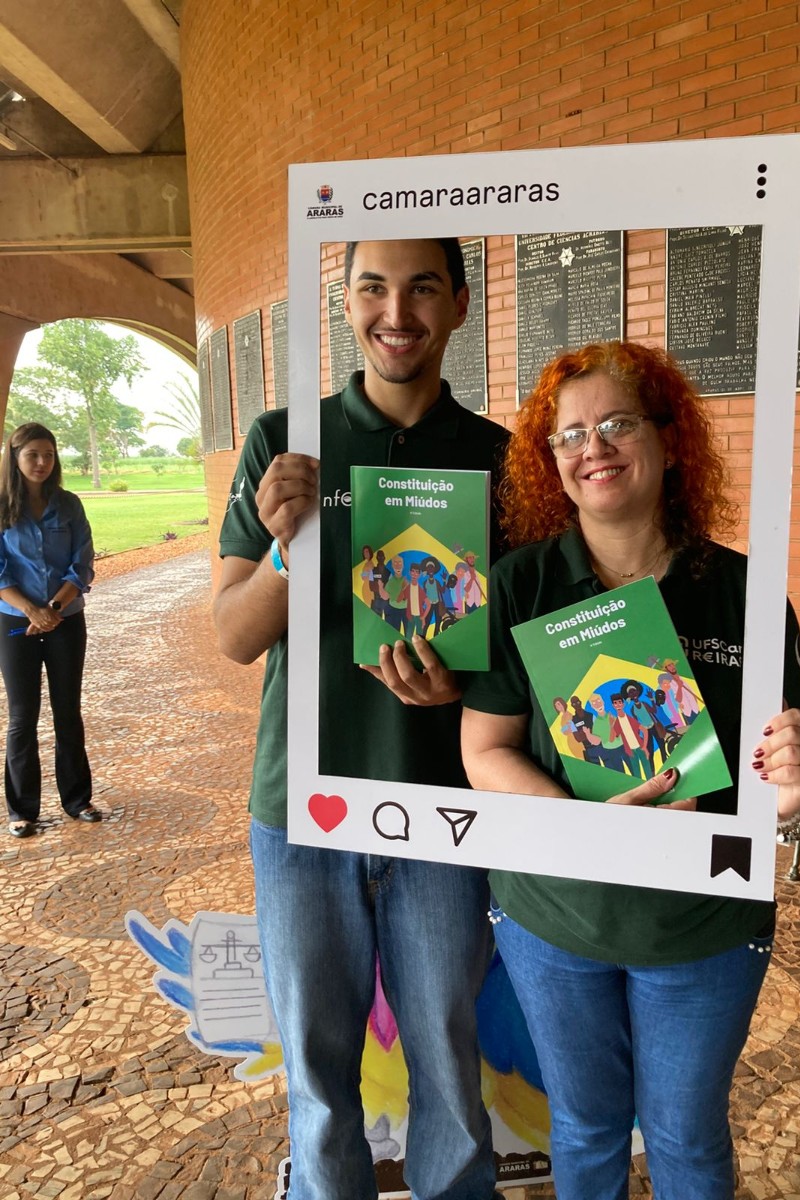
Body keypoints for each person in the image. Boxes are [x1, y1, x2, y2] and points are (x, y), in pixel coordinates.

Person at [460, 341, 800, 1200]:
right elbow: (484, 750)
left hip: (702, 927)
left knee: (685, 1139)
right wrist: (582, 823)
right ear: (549, 461)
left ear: (668, 438)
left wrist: (791, 793)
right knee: (585, 1130)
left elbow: (779, 770)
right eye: (569, 434)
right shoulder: (521, 585)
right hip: (556, 920)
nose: (593, 447)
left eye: (618, 423)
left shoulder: (745, 594)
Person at [215, 238, 508, 1200]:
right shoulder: (282, 441)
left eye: (422, 288)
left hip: (444, 814)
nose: (397, 313)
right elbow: (233, 634)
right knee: (315, 1076)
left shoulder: (500, 458)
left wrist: (463, 692)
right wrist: (285, 551)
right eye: (373, 288)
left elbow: (526, 656)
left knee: (450, 1069)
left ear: (460, 302)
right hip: (303, 809)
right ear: (343, 303)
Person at [0, 423, 98, 837]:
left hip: (65, 620)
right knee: (22, 715)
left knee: (67, 711)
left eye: (49, 454)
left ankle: (77, 800)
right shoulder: (2, 506)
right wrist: (31, 611)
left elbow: (82, 561)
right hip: (14, 623)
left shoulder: (69, 504)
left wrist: (54, 609)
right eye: (32, 455)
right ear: (14, 458)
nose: (42, 462)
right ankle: (22, 810)